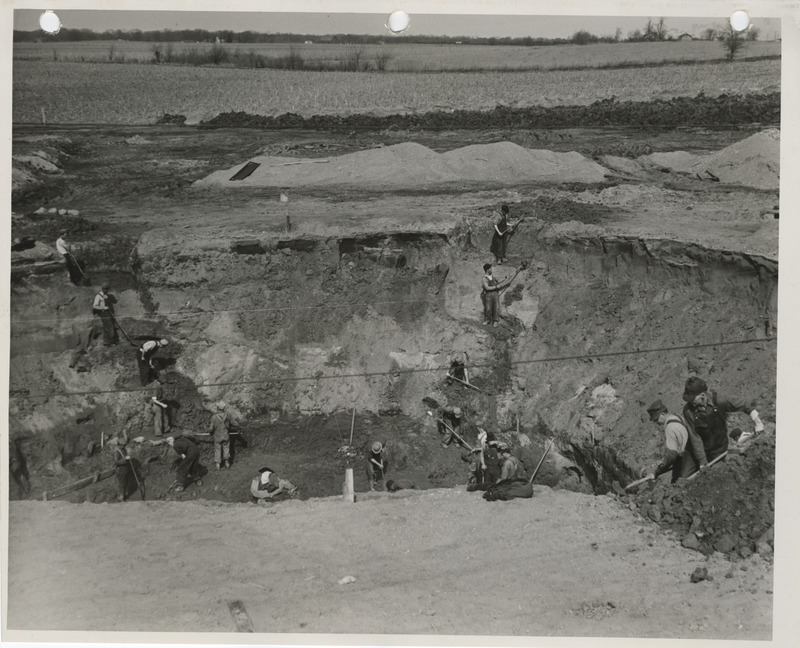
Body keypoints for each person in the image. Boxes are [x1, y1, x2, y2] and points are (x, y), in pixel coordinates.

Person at [681, 377, 765, 464]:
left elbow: (743, 404)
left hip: (718, 450)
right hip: (694, 451)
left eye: (692, 399)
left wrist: (758, 423)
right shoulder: (688, 411)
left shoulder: (719, 400)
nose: (690, 402)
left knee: (717, 469)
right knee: (684, 472)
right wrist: (702, 461)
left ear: (702, 395)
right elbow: (695, 438)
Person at [645, 399, 707, 482]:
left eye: (656, 420)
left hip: (687, 458)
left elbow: (671, 456)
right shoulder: (678, 417)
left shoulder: (670, 428)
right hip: (691, 453)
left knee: (679, 483)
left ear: (662, 414)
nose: (656, 423)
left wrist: (658, 471)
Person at [208, 400, 240, 470]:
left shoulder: (214, 417)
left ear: (218, 408)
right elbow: (236, 424)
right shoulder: (228, 415)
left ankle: (218, 465)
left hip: (217, 436)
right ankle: (227, 463)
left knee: (217, 449)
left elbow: (211, 428)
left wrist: (211, 433)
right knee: (226, 448)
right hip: (226, 435)